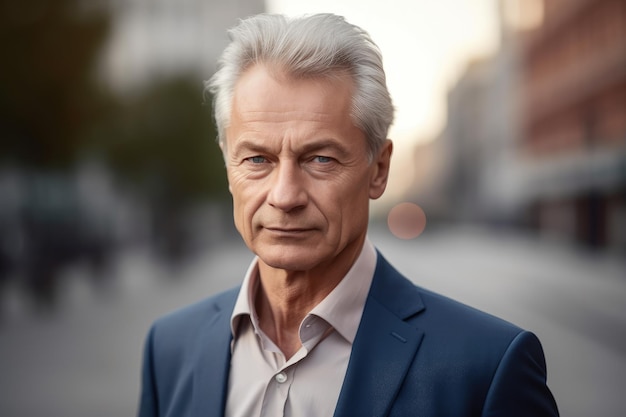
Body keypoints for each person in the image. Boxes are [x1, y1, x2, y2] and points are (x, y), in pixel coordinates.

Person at [137, 13, 559, 417]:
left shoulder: (486, 369)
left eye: (320, 159)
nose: (284, 196)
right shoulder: (169, 348)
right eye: (257, 159)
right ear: (228, 166)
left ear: (379, 170)